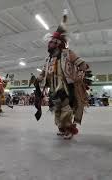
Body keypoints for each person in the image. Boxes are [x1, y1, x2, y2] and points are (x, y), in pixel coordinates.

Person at [33, 9, 91, 139]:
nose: (50, 44)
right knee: (57, 109)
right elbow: (43, 72)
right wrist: (39, 78)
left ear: (58, 44)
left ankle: (70, 129)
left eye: (52, 42)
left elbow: (81, 64)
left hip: (65, 86)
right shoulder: (48, 59)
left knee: (65, 108)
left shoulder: (67, 53)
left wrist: (82, 69)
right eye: (50, 42)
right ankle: (62, 127)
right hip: (53, 87)